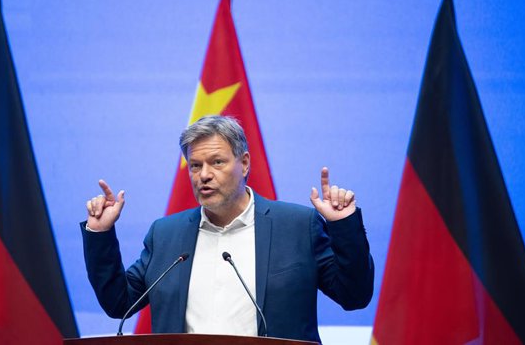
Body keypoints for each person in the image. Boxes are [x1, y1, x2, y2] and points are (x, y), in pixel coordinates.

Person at [81, 115, 374, 343]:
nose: (204, 175)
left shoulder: (297, 226)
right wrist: (100, 234)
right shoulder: (165, 234)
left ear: (244, 163)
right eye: (195, 166)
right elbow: (119, 303)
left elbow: (354, 296)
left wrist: (343, 226)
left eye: (217, 162)